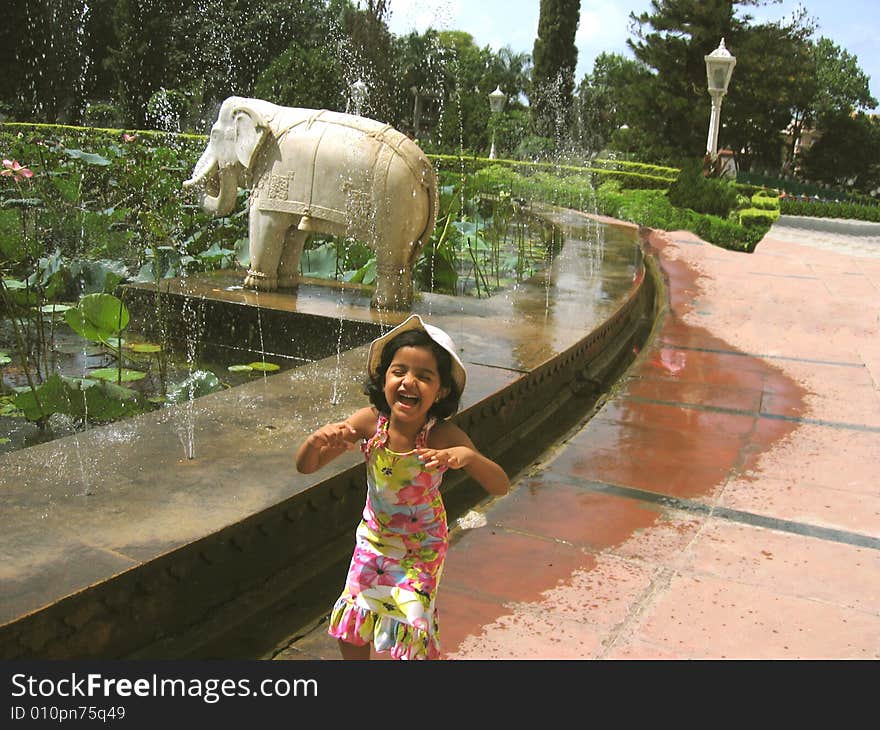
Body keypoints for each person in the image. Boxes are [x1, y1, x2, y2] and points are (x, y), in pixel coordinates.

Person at [295, 314, 509, 660]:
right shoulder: (369, 423)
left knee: (412, 628)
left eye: (424, 377)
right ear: (383, 380)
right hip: (374, 540)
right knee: (354, 616)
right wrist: (314, 442)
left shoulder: (441, 435)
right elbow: (306, 467)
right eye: (399, 372)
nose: (409, 382)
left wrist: (466, 456)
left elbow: (499, 485)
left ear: (440, 391)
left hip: (421, 550)